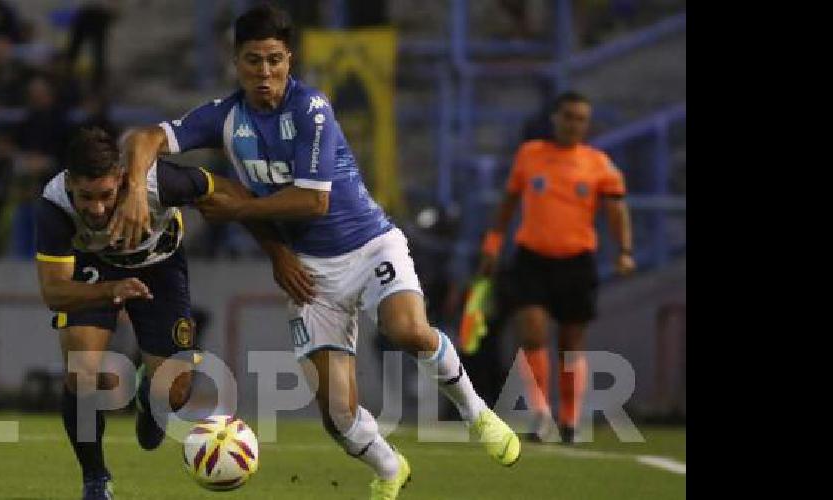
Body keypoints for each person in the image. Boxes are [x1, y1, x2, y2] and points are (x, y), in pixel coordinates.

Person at [116, 5, 520, 499]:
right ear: (236, 63)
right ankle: (391, 469)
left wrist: (237, 210)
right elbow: (145, 138)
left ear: (290, 60)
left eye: (274, 60)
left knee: (406, 329)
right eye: (252, 61)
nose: (264, 73)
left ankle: (477, 413)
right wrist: (137, 186)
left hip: (370, 245)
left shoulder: (312, 109)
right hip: (310, 273)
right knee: (337, 413)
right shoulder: (224, 117)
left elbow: (314, 200)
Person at [36, 126, 239, 499]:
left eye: (106, 195)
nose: (96, 208)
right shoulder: (54, 206)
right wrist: (111, 290)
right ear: (68, 183)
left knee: (176, 392)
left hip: (160, 267)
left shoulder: (158, 183)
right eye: (86, 197)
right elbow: (54, 292)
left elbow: (224, 190)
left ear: (122, 179)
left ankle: (151, 398)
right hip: (94, 267)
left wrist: (249, 225)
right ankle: (95, 480)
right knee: (80, 370)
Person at [477, 90, 635, 444]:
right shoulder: (530, 156)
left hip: (576, 262)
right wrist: (492, 244)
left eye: (580, 119)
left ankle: (570, 420)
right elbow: (508, 203)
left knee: (571, 342)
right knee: (531, 331)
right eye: (567, 117)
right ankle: (540, 417)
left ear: (587, 124)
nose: (572, 124)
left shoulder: (598, 164)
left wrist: (624, 250)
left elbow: (616, 210)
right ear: (555, 119)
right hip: (532, 258)